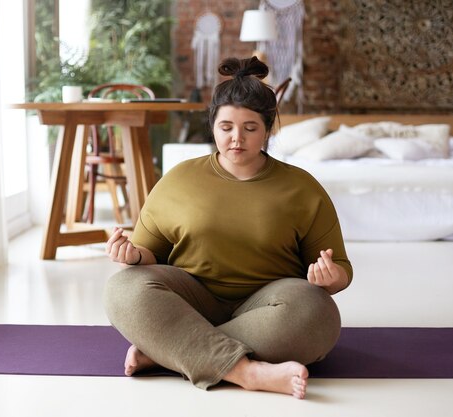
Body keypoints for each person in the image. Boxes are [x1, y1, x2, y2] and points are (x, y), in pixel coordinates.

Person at [103, 56, 352, 399]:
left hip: (268, 306)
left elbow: (341, 271)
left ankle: (171, 350)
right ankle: (246, 372)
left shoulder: (302, 187)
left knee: (318, 313)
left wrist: (329, 277)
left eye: (250, 128)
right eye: (226, 128)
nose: (237, 138)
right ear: (213, 126)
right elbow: (149, 256)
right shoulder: (179, 179)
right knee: (122, 289)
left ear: (267, 129)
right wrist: (131, 255)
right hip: (191, 299)